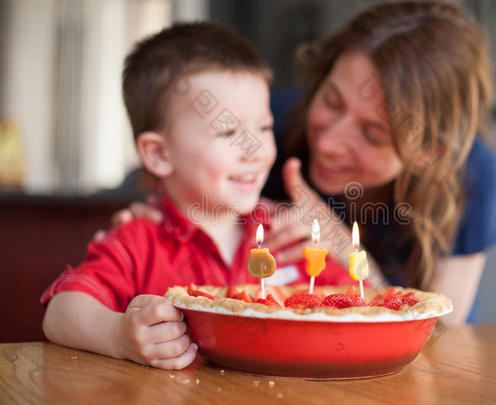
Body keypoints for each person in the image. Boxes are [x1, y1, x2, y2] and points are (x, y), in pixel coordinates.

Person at [110, 2, 496, 326]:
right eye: (332, 100)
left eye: (372, 133)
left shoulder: (470, 173)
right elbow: (171, 162)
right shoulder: (271, 126)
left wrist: (346, 253)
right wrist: (155, 209)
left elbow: (443, 330)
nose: (331, 141)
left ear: (428, 152)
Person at [41, 22, 353, 371]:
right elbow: (60, 311)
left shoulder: (289, 235)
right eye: (228, 131)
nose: (256, 149)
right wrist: (119, 336)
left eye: (264, 127)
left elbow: (355, 303)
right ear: (159, 154)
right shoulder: (139, 240)